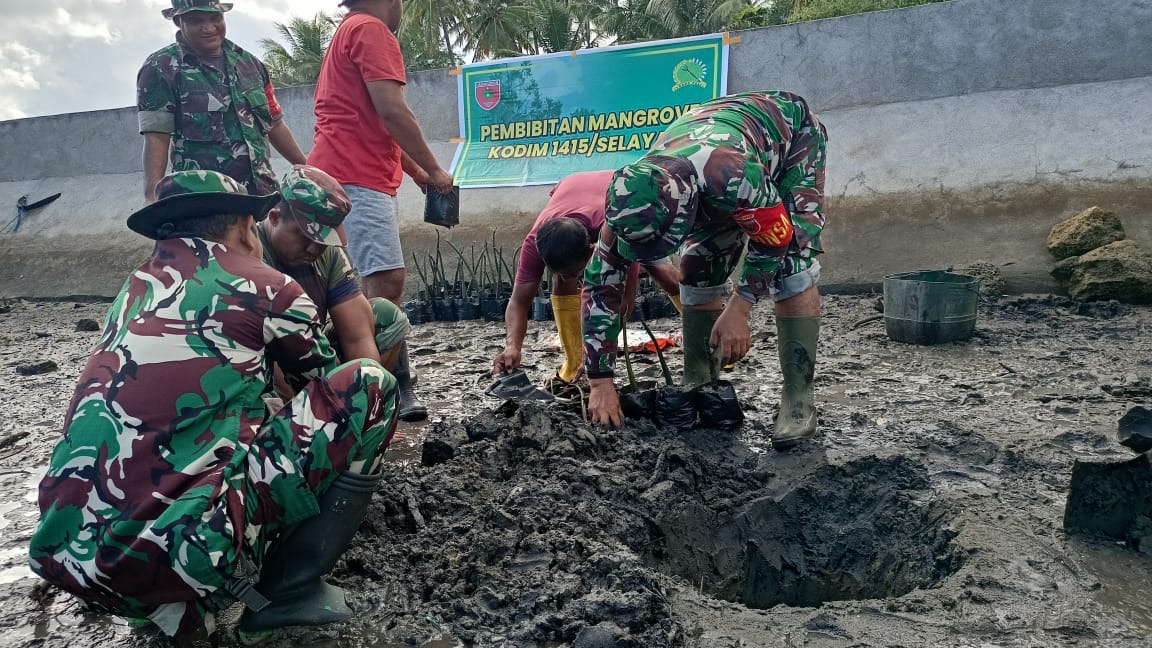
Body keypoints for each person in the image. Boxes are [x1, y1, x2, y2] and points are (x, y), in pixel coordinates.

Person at [28, 170, 399, 642]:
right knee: (370, 386)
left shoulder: (133, 290)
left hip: (67, 556)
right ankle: (287, 591)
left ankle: (163, 604)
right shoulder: (270, 287)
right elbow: (327, 390)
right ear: (248, 226)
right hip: (173, 553)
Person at [583, 91, 828, 450]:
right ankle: (699, 379)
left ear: (685, 208)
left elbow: (774, 239)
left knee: (791, 268)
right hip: (710, 159)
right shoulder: (632, 202)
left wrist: (739, 308)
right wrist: (600, 380)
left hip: (789, 144)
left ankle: (798, 400)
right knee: (696, 270)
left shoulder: (730, 174)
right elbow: (601, 288)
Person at [308, 0, 455, 420]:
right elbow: (392, 112)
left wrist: (415, 172)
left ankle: (359, 381)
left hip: (341, 170)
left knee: (350, 284)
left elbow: (375, 119)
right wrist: (434, 169)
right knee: (385, 282)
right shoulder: (372, 31)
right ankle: (389, 387)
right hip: (354, 175)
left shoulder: (349, 29)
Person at [493, 170, 681, 386]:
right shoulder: (535, 242)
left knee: (662, 272)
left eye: (576, 273)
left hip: (628, 199)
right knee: (562, 283)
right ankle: (573, 363)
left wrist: (596, 355)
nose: (573, 278)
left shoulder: (619, 231)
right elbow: (518, 301)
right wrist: (513, 346)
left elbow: (623, 303)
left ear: (592, 249)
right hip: (575, 188)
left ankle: (708, 331)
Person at [137, 0, 308, 203]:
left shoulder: (250, 64)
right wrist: (152, 197)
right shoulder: (160, 68)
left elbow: (275, 125)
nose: (208, 28)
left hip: (262, 196)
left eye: (215, 18)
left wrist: (309, 168)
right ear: (178, 21)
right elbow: (156, 137)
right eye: (196, 20)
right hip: (206, 202)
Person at [259, 164, 411, 392]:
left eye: (322, 241)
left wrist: (366, 403)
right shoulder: (250, 252)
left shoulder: (329, 253)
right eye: (304, 238)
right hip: (264, 357)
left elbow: (357, 338)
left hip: (311, 352)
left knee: (386, 316)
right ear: (275, 218)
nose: (312, 249)